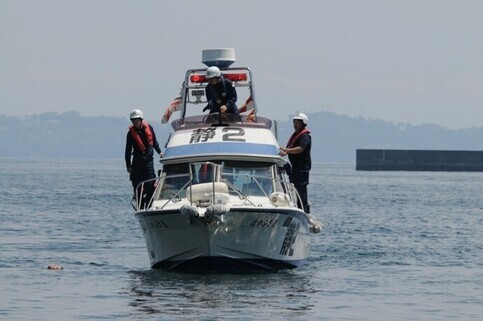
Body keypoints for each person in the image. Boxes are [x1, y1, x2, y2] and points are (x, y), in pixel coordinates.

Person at [125, 109, 162, 208]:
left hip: (148, 162)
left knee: (150, 184)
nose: (135, 122)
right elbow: (128, 150)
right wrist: (128, 165)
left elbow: (154, 142)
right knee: (137, 186)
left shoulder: (149, 128)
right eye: (133, 120)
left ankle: (149, 205)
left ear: (141, 119)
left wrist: (160, 152)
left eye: (136, 120)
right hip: (137, 163)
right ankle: (140, 207)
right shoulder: (130, 134)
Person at [279, 113, 312, 213]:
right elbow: (290, 149)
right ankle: (299, 206)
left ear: (303, 124)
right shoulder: (296, 135)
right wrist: (284, 152)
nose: (295, 124)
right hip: (296, 166)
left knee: (301, 188)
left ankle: (304, 208)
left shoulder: (305, 136)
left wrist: (287, 151)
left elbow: (300, 149)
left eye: (297, 123)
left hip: (302, 167)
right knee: (296, 186)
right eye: (294, 122)